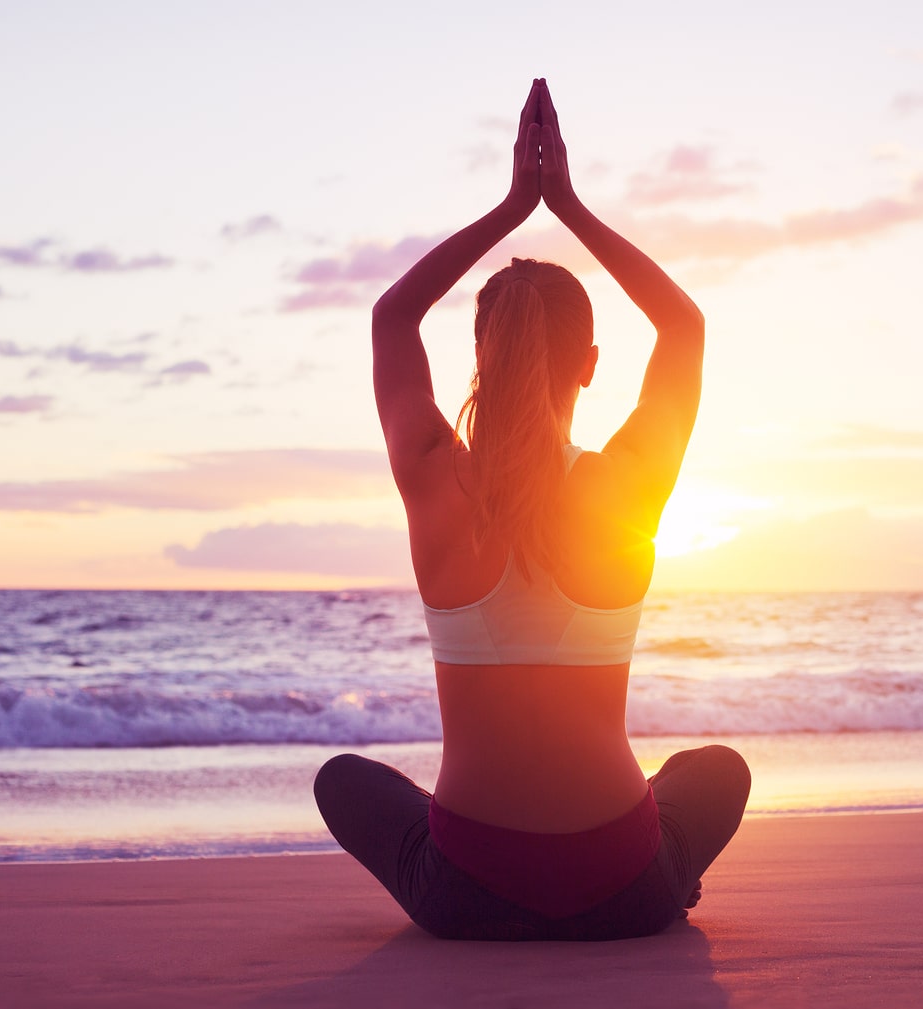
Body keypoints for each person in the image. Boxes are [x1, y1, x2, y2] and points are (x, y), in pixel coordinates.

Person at [314, 79, 750, 941]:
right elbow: (685, 328)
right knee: (715, 770)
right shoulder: (625, 484)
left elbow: (393, 314)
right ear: (589, 364)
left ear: (479, 356)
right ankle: (669, 884)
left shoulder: (435, 476)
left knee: (345, 778)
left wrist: (513, 206)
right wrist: (569, 206)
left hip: (466, 894)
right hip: (625, 888)